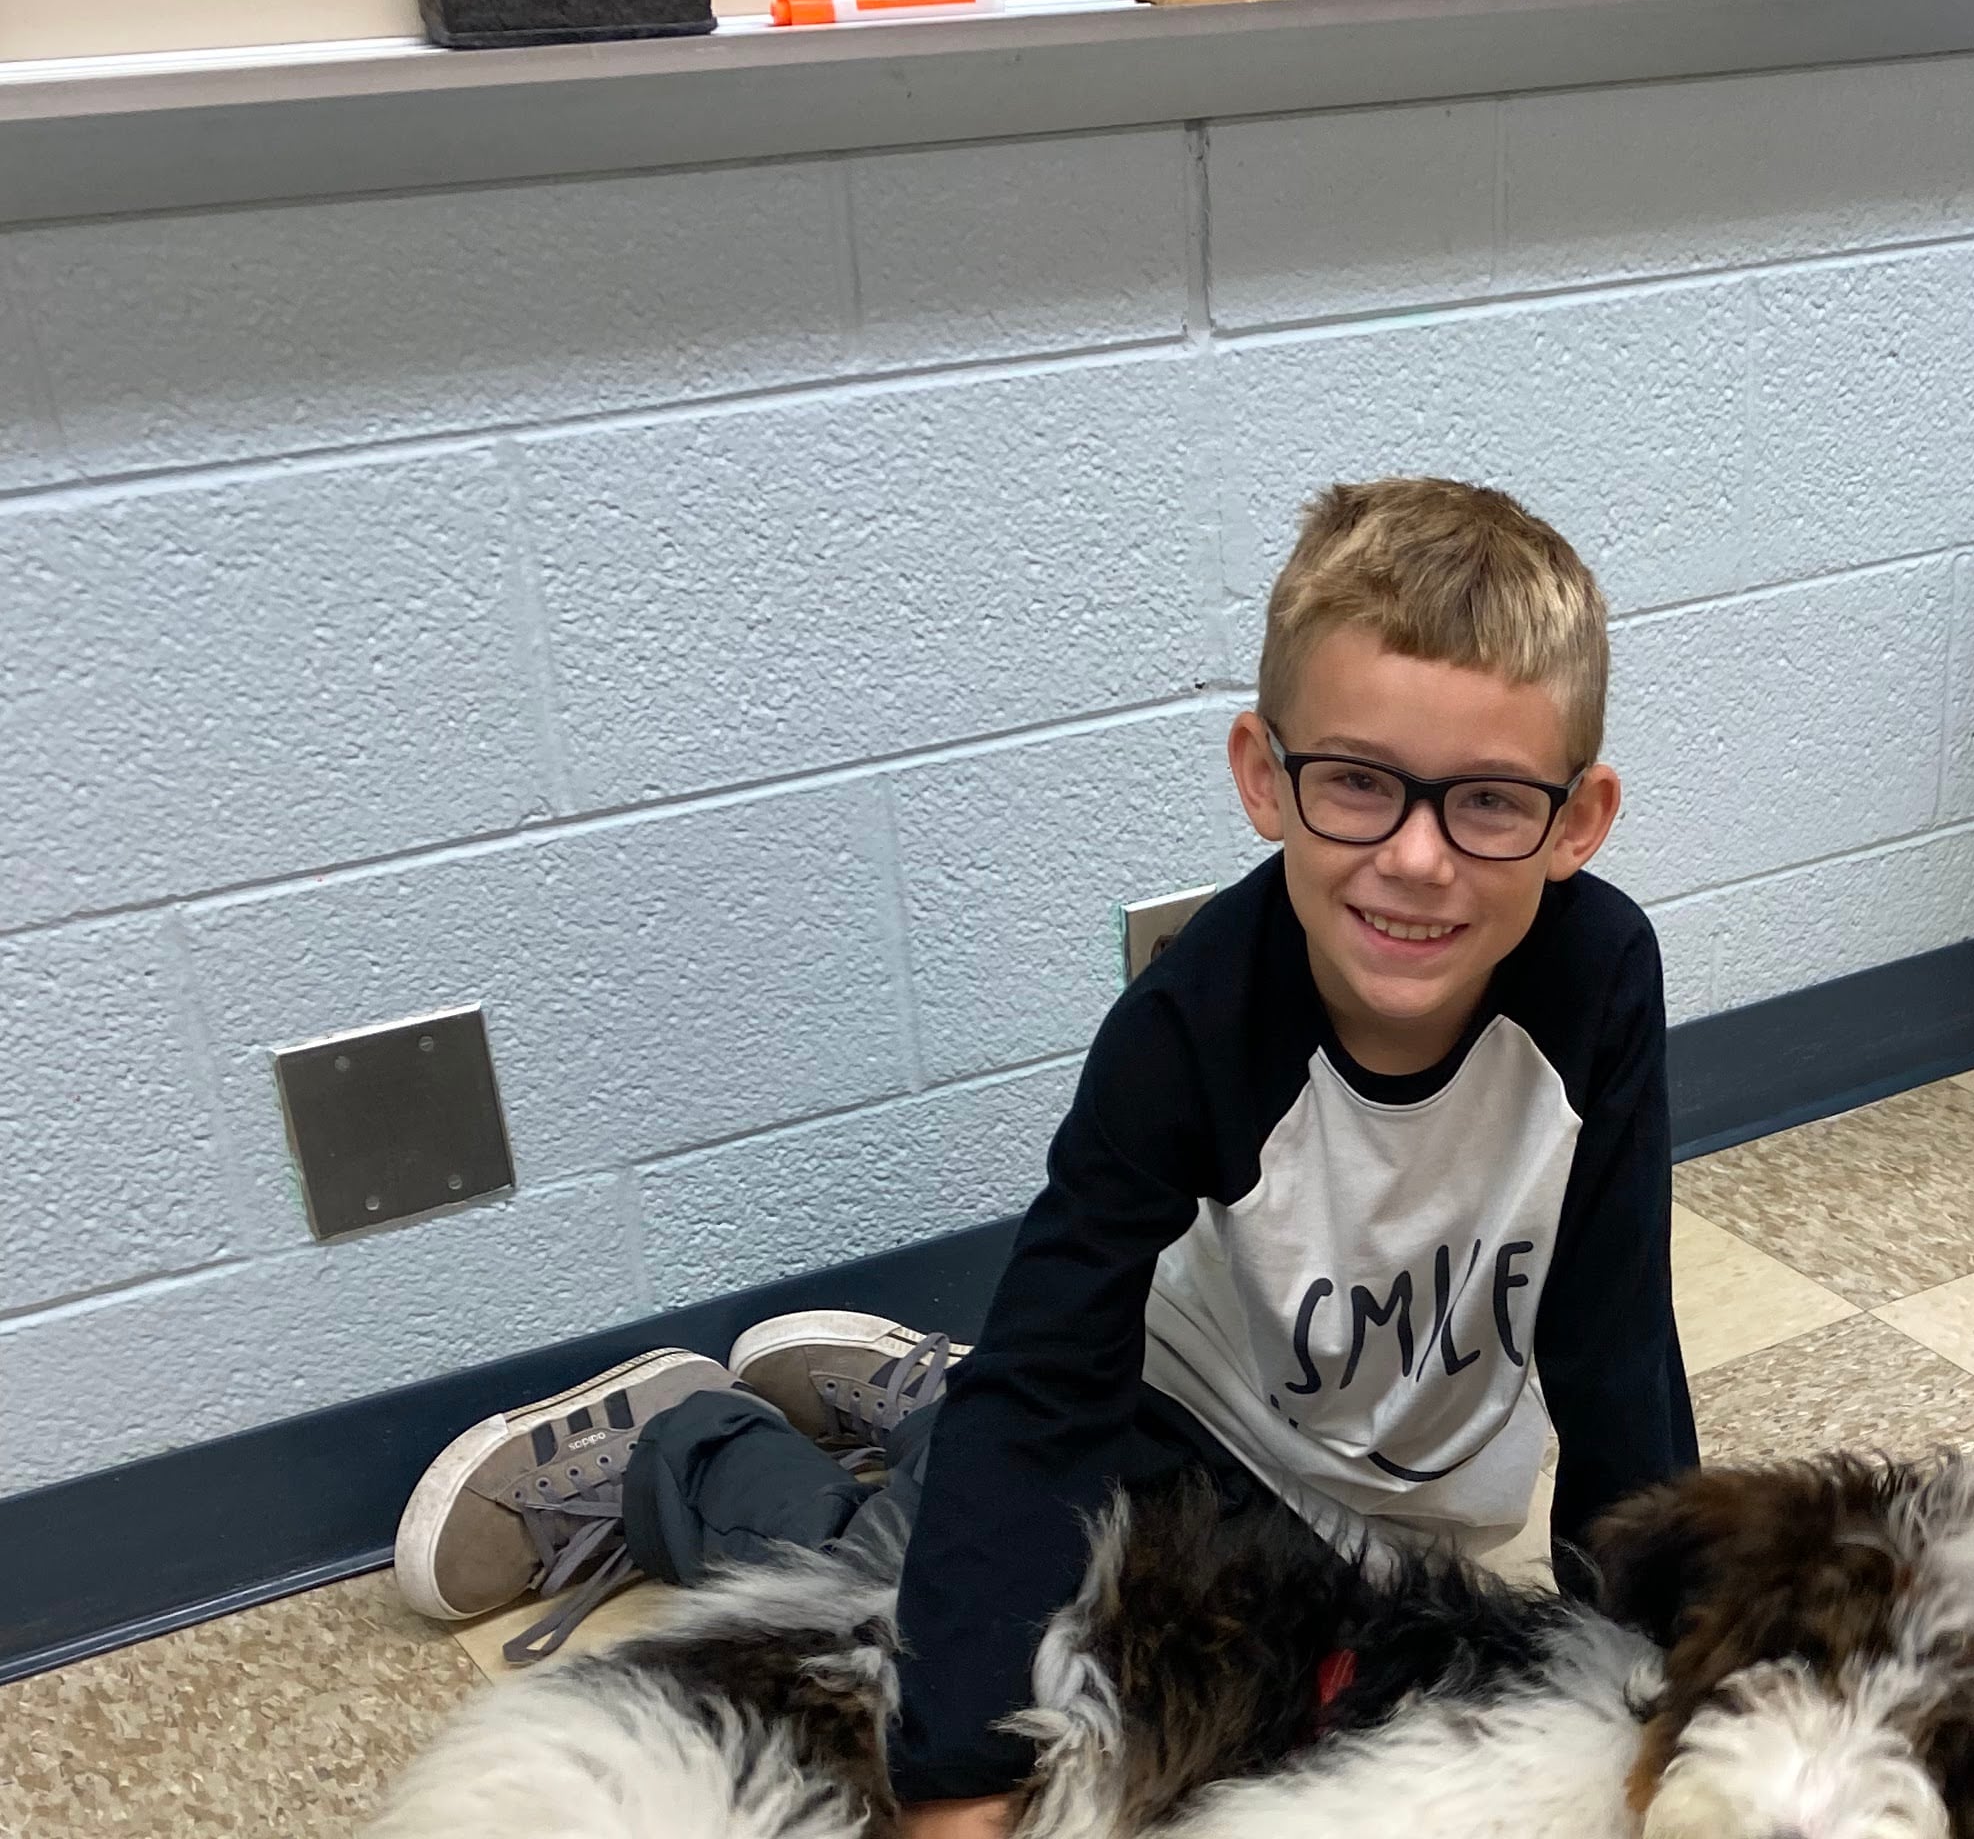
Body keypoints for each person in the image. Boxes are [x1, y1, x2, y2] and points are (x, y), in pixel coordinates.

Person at [391, 476, 1698, 1835]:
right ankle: (696, 1445)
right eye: (1359, 784)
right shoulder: (1190, 1025)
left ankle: (922, 1399)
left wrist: (1649, 1680)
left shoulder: (1602, 979)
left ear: (1577, 820)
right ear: (1265, 776)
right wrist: (955, 1775)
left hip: (1383, 1535)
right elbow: (1053, 1399)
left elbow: (1617, 1350)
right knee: (907, 1615)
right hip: (1162, 1440)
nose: (1418, 859)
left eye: (1488, 802)